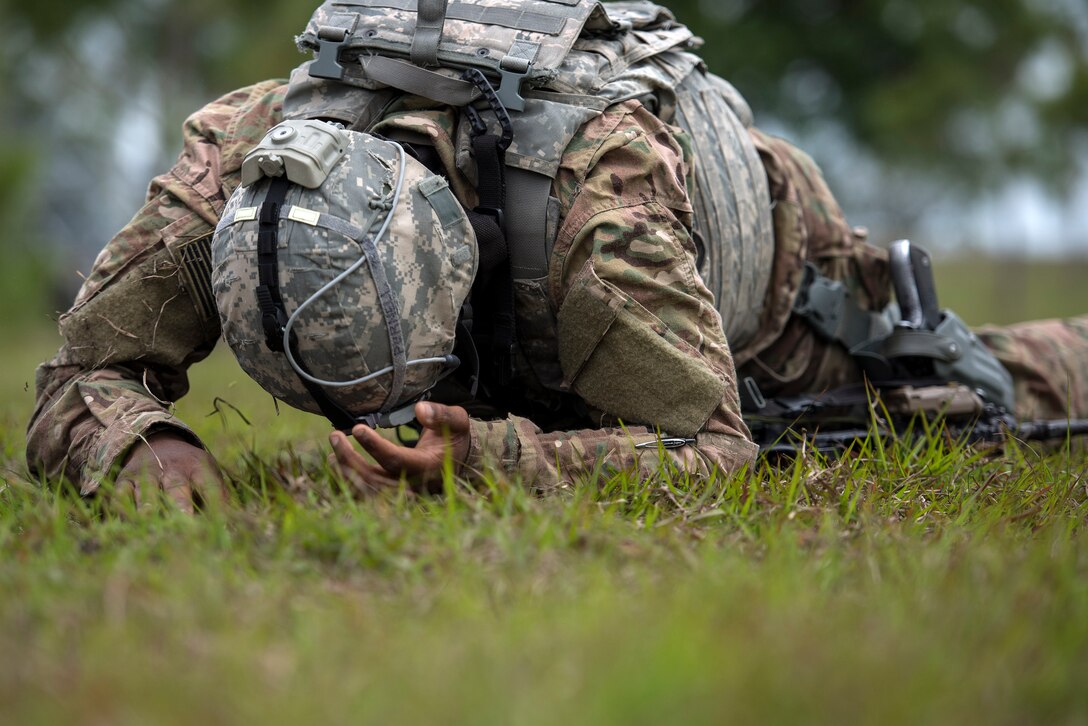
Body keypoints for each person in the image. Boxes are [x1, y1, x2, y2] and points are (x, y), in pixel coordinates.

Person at [26, 0, 1088, 509]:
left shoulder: (601, 216)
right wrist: (144, 448)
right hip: (546, 285)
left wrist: (496, 460)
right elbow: (81, 372)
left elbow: (709, 451)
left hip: (756, 281)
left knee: (956, 396)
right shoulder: (242, 163)